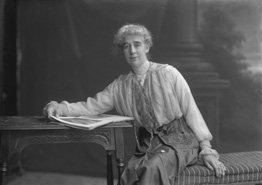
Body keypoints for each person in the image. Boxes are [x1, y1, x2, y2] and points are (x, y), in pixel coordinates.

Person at [43, 23, 226, 185]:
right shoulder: (120, 86)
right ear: (122, 51)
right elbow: (89, 107)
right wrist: (61, 107)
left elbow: (190, 109)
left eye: (137, 44)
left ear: (147, 47)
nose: (132, 51)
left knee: (152, 168)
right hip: (148, 144)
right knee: (130, 173)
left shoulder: (168, 73)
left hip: (180, 140)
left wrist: (206, 149)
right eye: (126, 46)